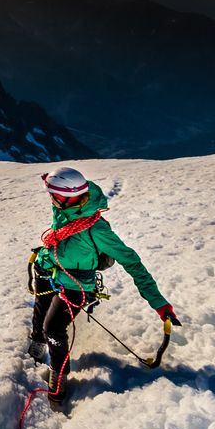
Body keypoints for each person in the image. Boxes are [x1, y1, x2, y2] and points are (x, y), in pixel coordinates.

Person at [28, 167, 180, 404]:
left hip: (77, 285)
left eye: (53, 195)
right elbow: (63, 193)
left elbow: (132, 261)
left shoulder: (96, 228)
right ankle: (37, 341)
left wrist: (158, 302)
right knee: (41, 303)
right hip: (50, 269)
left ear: (65, 197)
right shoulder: (68, 206)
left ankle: (59, 375)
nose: (50, 198)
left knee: (54, 329)